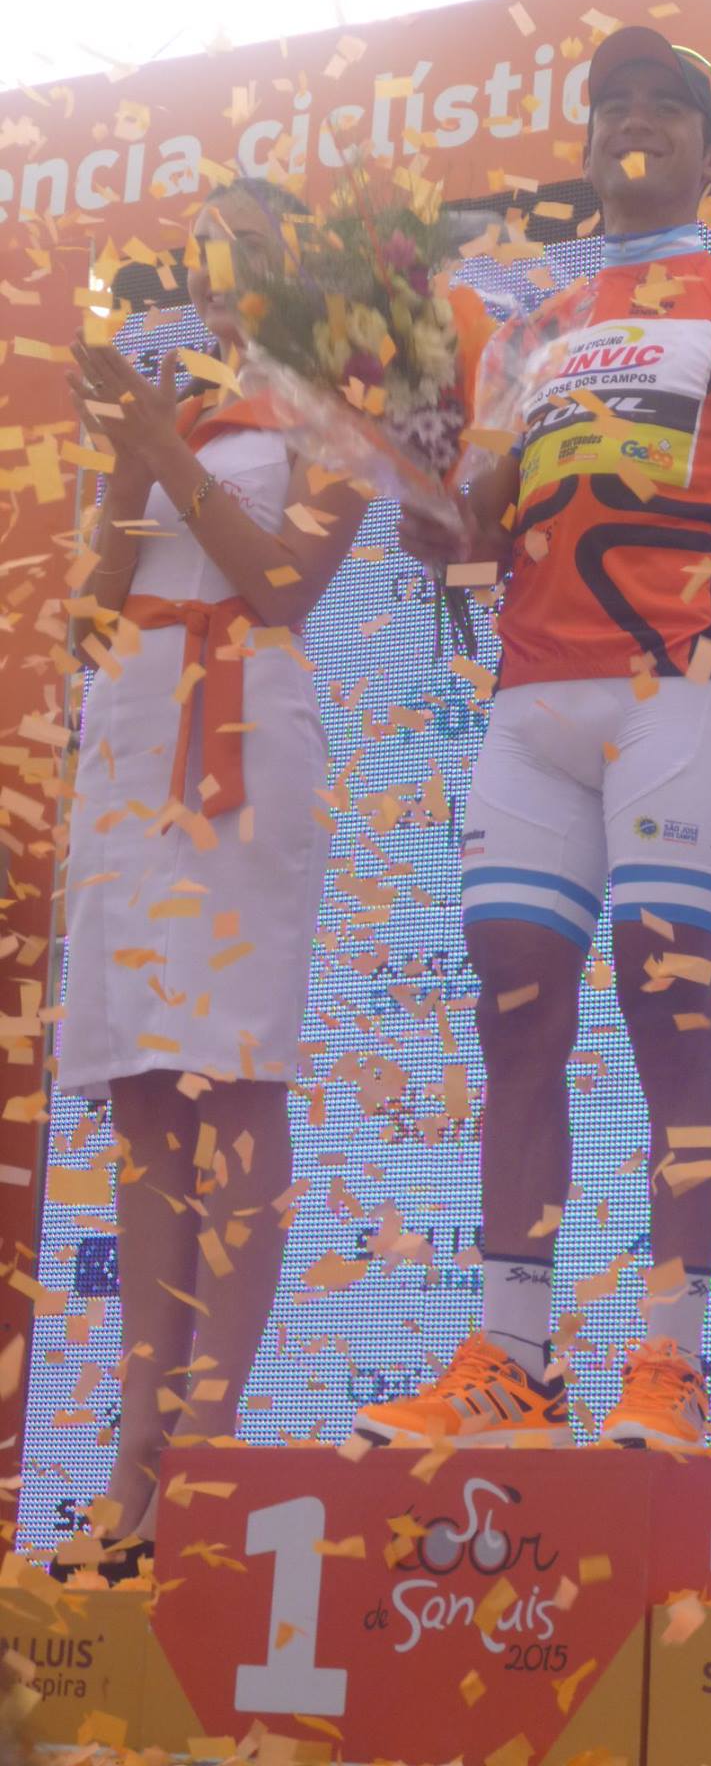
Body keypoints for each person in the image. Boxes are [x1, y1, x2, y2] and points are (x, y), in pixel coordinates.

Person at [355, 27, 711, 1453]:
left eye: (664, 104)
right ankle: (513, 1356)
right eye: (609, 104)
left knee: (666, 1008)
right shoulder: (531, 330)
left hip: (678, 694)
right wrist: (416, 464)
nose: (635, 121)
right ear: (581, 148)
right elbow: (467, 538)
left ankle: (669, 1360)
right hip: (531, 703)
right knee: (517, 1015)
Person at [57, 176, 367, 1574]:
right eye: (203, 252)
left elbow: (285, 583)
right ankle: (134, 1445)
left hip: (246, 728)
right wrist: (134, 456)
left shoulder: (338, 402)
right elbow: (91, 610)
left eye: (248, 249)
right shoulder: (174, 403)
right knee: (141, 1088)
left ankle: (207, 1440)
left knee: (229, 1076)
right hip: (131, 728)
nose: (216, 271)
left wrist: (166, 459)